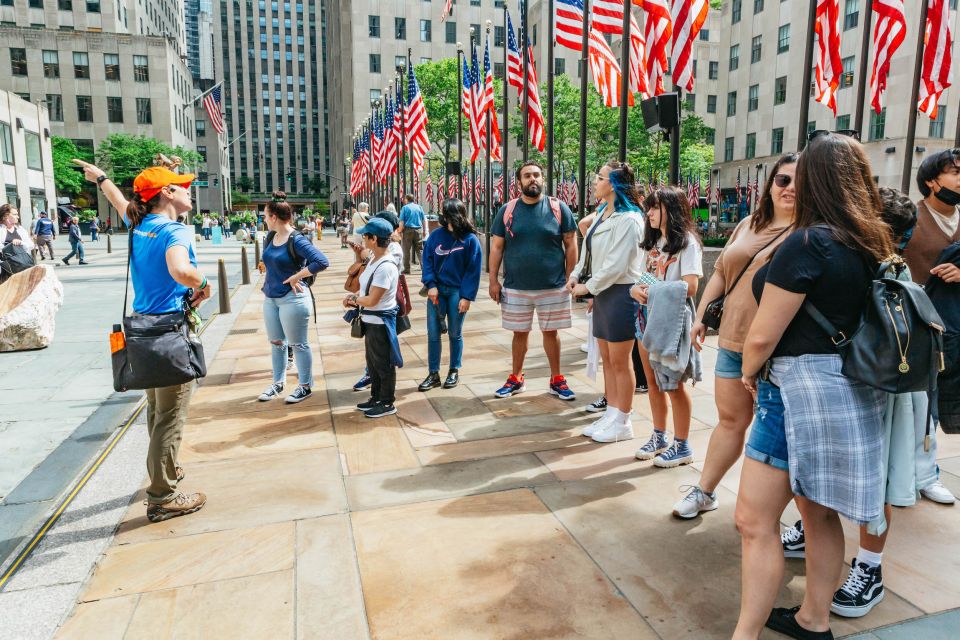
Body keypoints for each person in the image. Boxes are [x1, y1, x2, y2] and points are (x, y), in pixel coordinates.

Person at [734, 133, 893, 640]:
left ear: (816, 180)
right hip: (849, 386)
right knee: (820, 513)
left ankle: (744, 635)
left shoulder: (809, 241)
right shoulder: (869, 239)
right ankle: (814, 619)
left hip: (795, 392)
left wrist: (748, 371)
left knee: (753, 522)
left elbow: (762, 334)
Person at [777, 187, 956, 623]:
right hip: (857, 385)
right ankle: (811, 532)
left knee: (880, 480)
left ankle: (870, 569)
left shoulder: (890, 278)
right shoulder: (852, 262)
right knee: (829, 469)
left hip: (889, 389)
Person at [75, 157, 212, 523]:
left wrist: (101, 178)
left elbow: (120, 201)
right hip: (168, 333)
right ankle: (163, 496)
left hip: (142, 333)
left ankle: (167, 470)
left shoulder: (140, 225)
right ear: (166, 193)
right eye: (182, 186)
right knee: (170, 416)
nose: (189, 191)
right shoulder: (174, 231)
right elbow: (180, 270)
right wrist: (203, 283)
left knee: (156, 410)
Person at [672, 153, 797, 518]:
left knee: (780, 435)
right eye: (783, 180)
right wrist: (702, 317)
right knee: (730, 421)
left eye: (799, 181)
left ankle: (795, 518)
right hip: (732, 342)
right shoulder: (748, 224)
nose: (790, 188)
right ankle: (704, 491)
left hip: (780, 348)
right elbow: (723, 274)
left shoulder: (810, 231)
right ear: (771, 184)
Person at [488, 161, 579, 401]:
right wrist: (493, 281)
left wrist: (570, 277)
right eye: (527, 176)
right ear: (519, 182)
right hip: (516, 286)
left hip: (554, 285)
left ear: (543, 179)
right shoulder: (507, 210)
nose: (533, 179)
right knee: (519, 333)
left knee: (551, 332)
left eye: (537, 175)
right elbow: (496, 247)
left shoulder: (558, 208)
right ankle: (516, 378)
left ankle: (557, 379)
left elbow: (571, 243)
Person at [568, 161, 645, 443]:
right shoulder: (604, 212)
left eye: (599, 177)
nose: (595, 182)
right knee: (609, 362)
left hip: (621, 294)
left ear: (612, 184)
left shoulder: (630, 219)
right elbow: (588, 252)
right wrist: (576, 275)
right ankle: (612, 413)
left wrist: (588, 287)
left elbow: (616, 265)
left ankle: (623, 421)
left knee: (621, 362)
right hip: (603, 294)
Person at [632, 186, 703, 467]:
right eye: (648, 207)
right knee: (652, 382)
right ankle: (659, 435)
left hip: (671, 321)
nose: (648, 212)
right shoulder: (653, 244)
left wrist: (653, 290)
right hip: (646, 319)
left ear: (671, 211)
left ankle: (683, 444)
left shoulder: (687, 243)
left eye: (655, 207)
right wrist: (636, 290)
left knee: (673, 384)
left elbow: (692, 285)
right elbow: (647, 277)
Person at [256, 191, 329, 404]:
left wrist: (298, 276)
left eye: (265, 215)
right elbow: (268, 260)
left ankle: (305, 386)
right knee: (277, 342)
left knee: (298, 344)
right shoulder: (271, 236)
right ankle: (278, 383)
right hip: (271, 298)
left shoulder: (297, 239)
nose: (264, 219)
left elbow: (321, 261)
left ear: (274, 218)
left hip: (293, 299)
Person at [418, 198, 482, 391]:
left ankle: (454, 370)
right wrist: (430, 284)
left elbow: (474, 270)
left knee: (455, 333)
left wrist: (467, 297)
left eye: (445, 213)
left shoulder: (470, 240)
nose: (442, 216)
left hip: (457, 293)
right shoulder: (436, 236)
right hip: (436, 292)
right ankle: (433, 373)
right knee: (433, 334)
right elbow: (427, 260)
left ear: (453, 215)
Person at [344, 217, 402, 418]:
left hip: (379, 322)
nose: (363, 238)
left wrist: (353, 300)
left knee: (383, 364)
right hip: (371, 321)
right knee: (373, 363)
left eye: (365, 236)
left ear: (374, 239)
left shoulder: (385, 266)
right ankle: (376, 397)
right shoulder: (373, 260)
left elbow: (372, 300)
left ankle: (387, 402)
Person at [399, 194, 426, 275]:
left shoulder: (405, 208)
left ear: (407, 199)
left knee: (406, 250)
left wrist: (400, 231)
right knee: (420, 250)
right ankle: (424, 268)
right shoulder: (419, 207)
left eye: (405, 199)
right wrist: (424, 231)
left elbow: (402, 221)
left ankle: (407, 269)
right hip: (419, 230)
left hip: (408, 230)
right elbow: (423, 220)